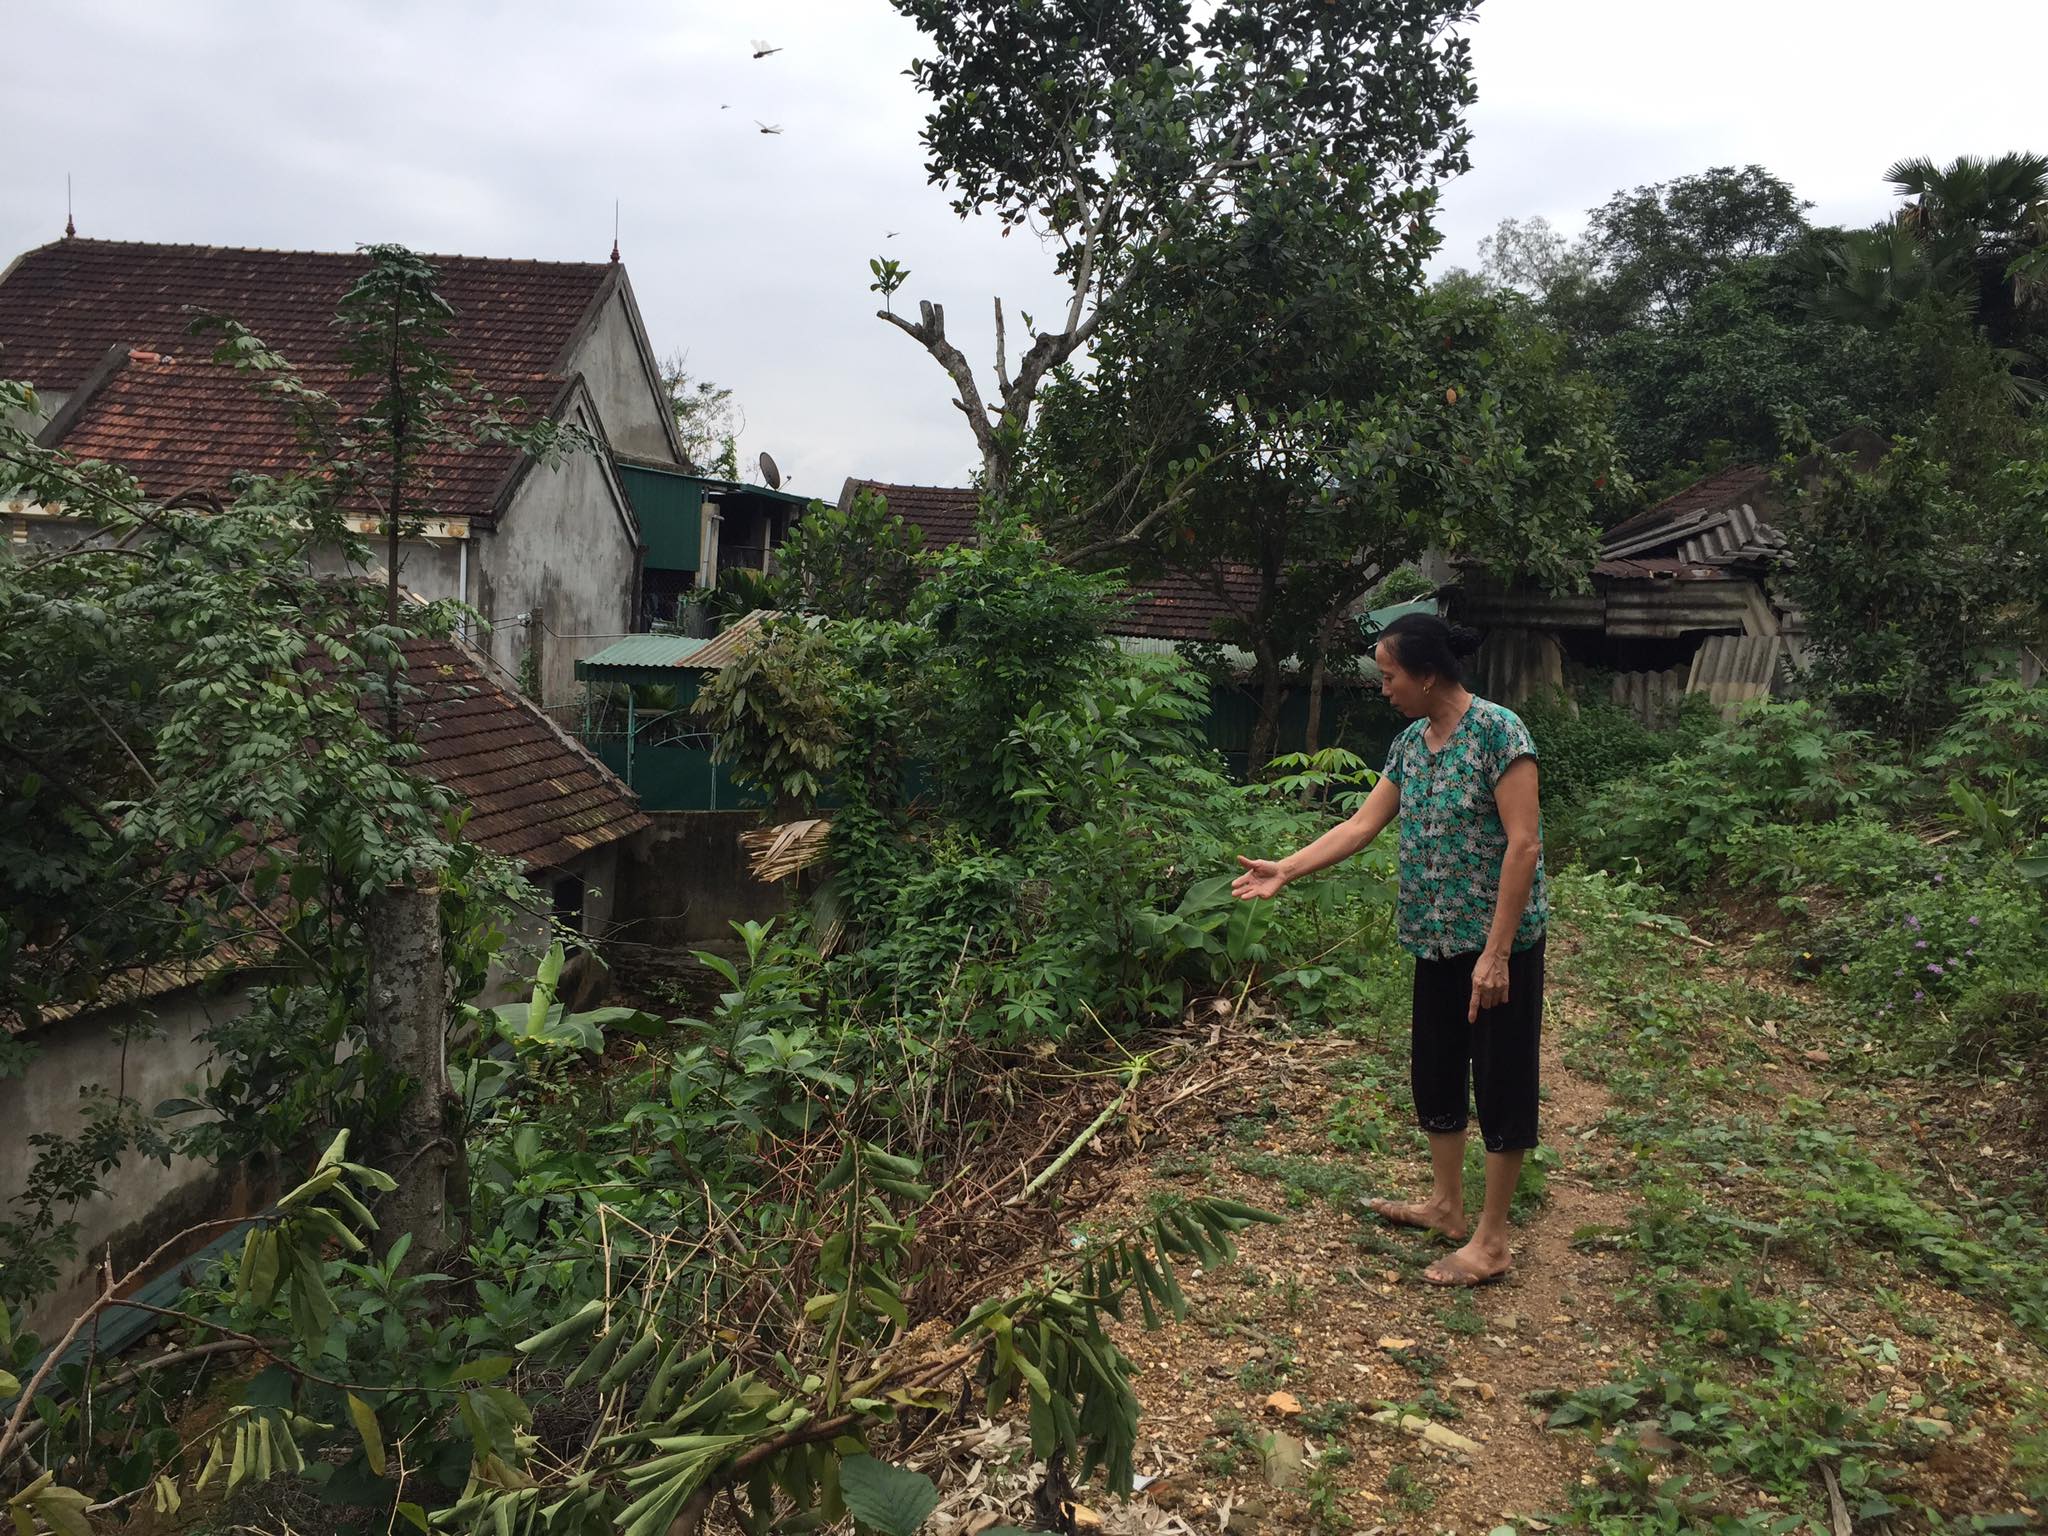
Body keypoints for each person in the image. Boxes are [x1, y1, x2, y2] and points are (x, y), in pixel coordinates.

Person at [1231, 614, 1546, 1286]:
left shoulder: (1499, 732)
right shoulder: (1411, 742)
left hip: (1496, 947)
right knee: (1435, 1071)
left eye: (1389, 674)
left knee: (1500, 1080)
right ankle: (1446, 1207)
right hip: (1432, 940)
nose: (1383, 687)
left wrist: (1496, 954)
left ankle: (1491, 1241)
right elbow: (1361, 824)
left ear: (1427, 674)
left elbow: (1523, 845)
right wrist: (1286, 868)